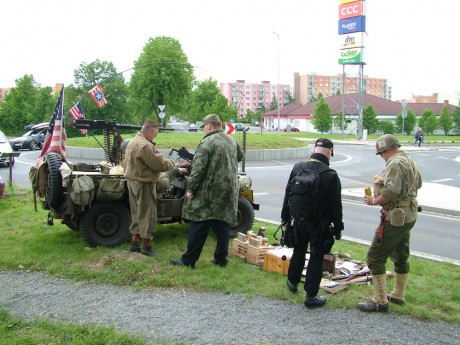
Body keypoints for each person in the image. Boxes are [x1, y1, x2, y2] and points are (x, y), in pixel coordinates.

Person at [169, 114, 244, 268]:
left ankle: (188, 261)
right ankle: (221, 259)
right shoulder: (231, 140)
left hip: (209, 191)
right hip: (228, 189)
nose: (203, 129)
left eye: (204, 126)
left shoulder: (207, 142)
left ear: (209, 126)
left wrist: (191, 189)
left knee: (199, 223)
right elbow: (240, 156)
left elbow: (198, 169)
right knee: (221, 223)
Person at [359, 134, 422, 312]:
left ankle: (379, 300)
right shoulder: (409, 160)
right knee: (401, 254)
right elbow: (419, 184)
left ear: (387, 150)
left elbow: (391, 190)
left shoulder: (395, 163)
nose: (382, 157)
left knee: (375, 256)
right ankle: (398, 294)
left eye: (381, 153)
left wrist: (374, 200)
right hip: (409, 214)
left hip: (395, 216)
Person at [280, 138, 344, 308]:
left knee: (298, 250)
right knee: (316, 256)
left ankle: (292, 282)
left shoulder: (298, 167)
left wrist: (284, 218)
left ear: (314, 149)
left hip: (297, 219)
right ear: (330, 152)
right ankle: (311, 296)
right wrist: (338, 228)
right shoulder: (330, 175)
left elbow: (288, 193)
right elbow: (336, 206)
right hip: (319, 223)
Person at [123, 117, 175, 256]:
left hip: (132, 181)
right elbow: (160, 164)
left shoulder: (133, 142)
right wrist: (172, 164)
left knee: (136, 212)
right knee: (148, 214)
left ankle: (134, 242)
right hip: (144, 183)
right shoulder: (145, 146)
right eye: (155, 133)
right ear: (150, 132)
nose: (155, 136)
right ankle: (147, 246)